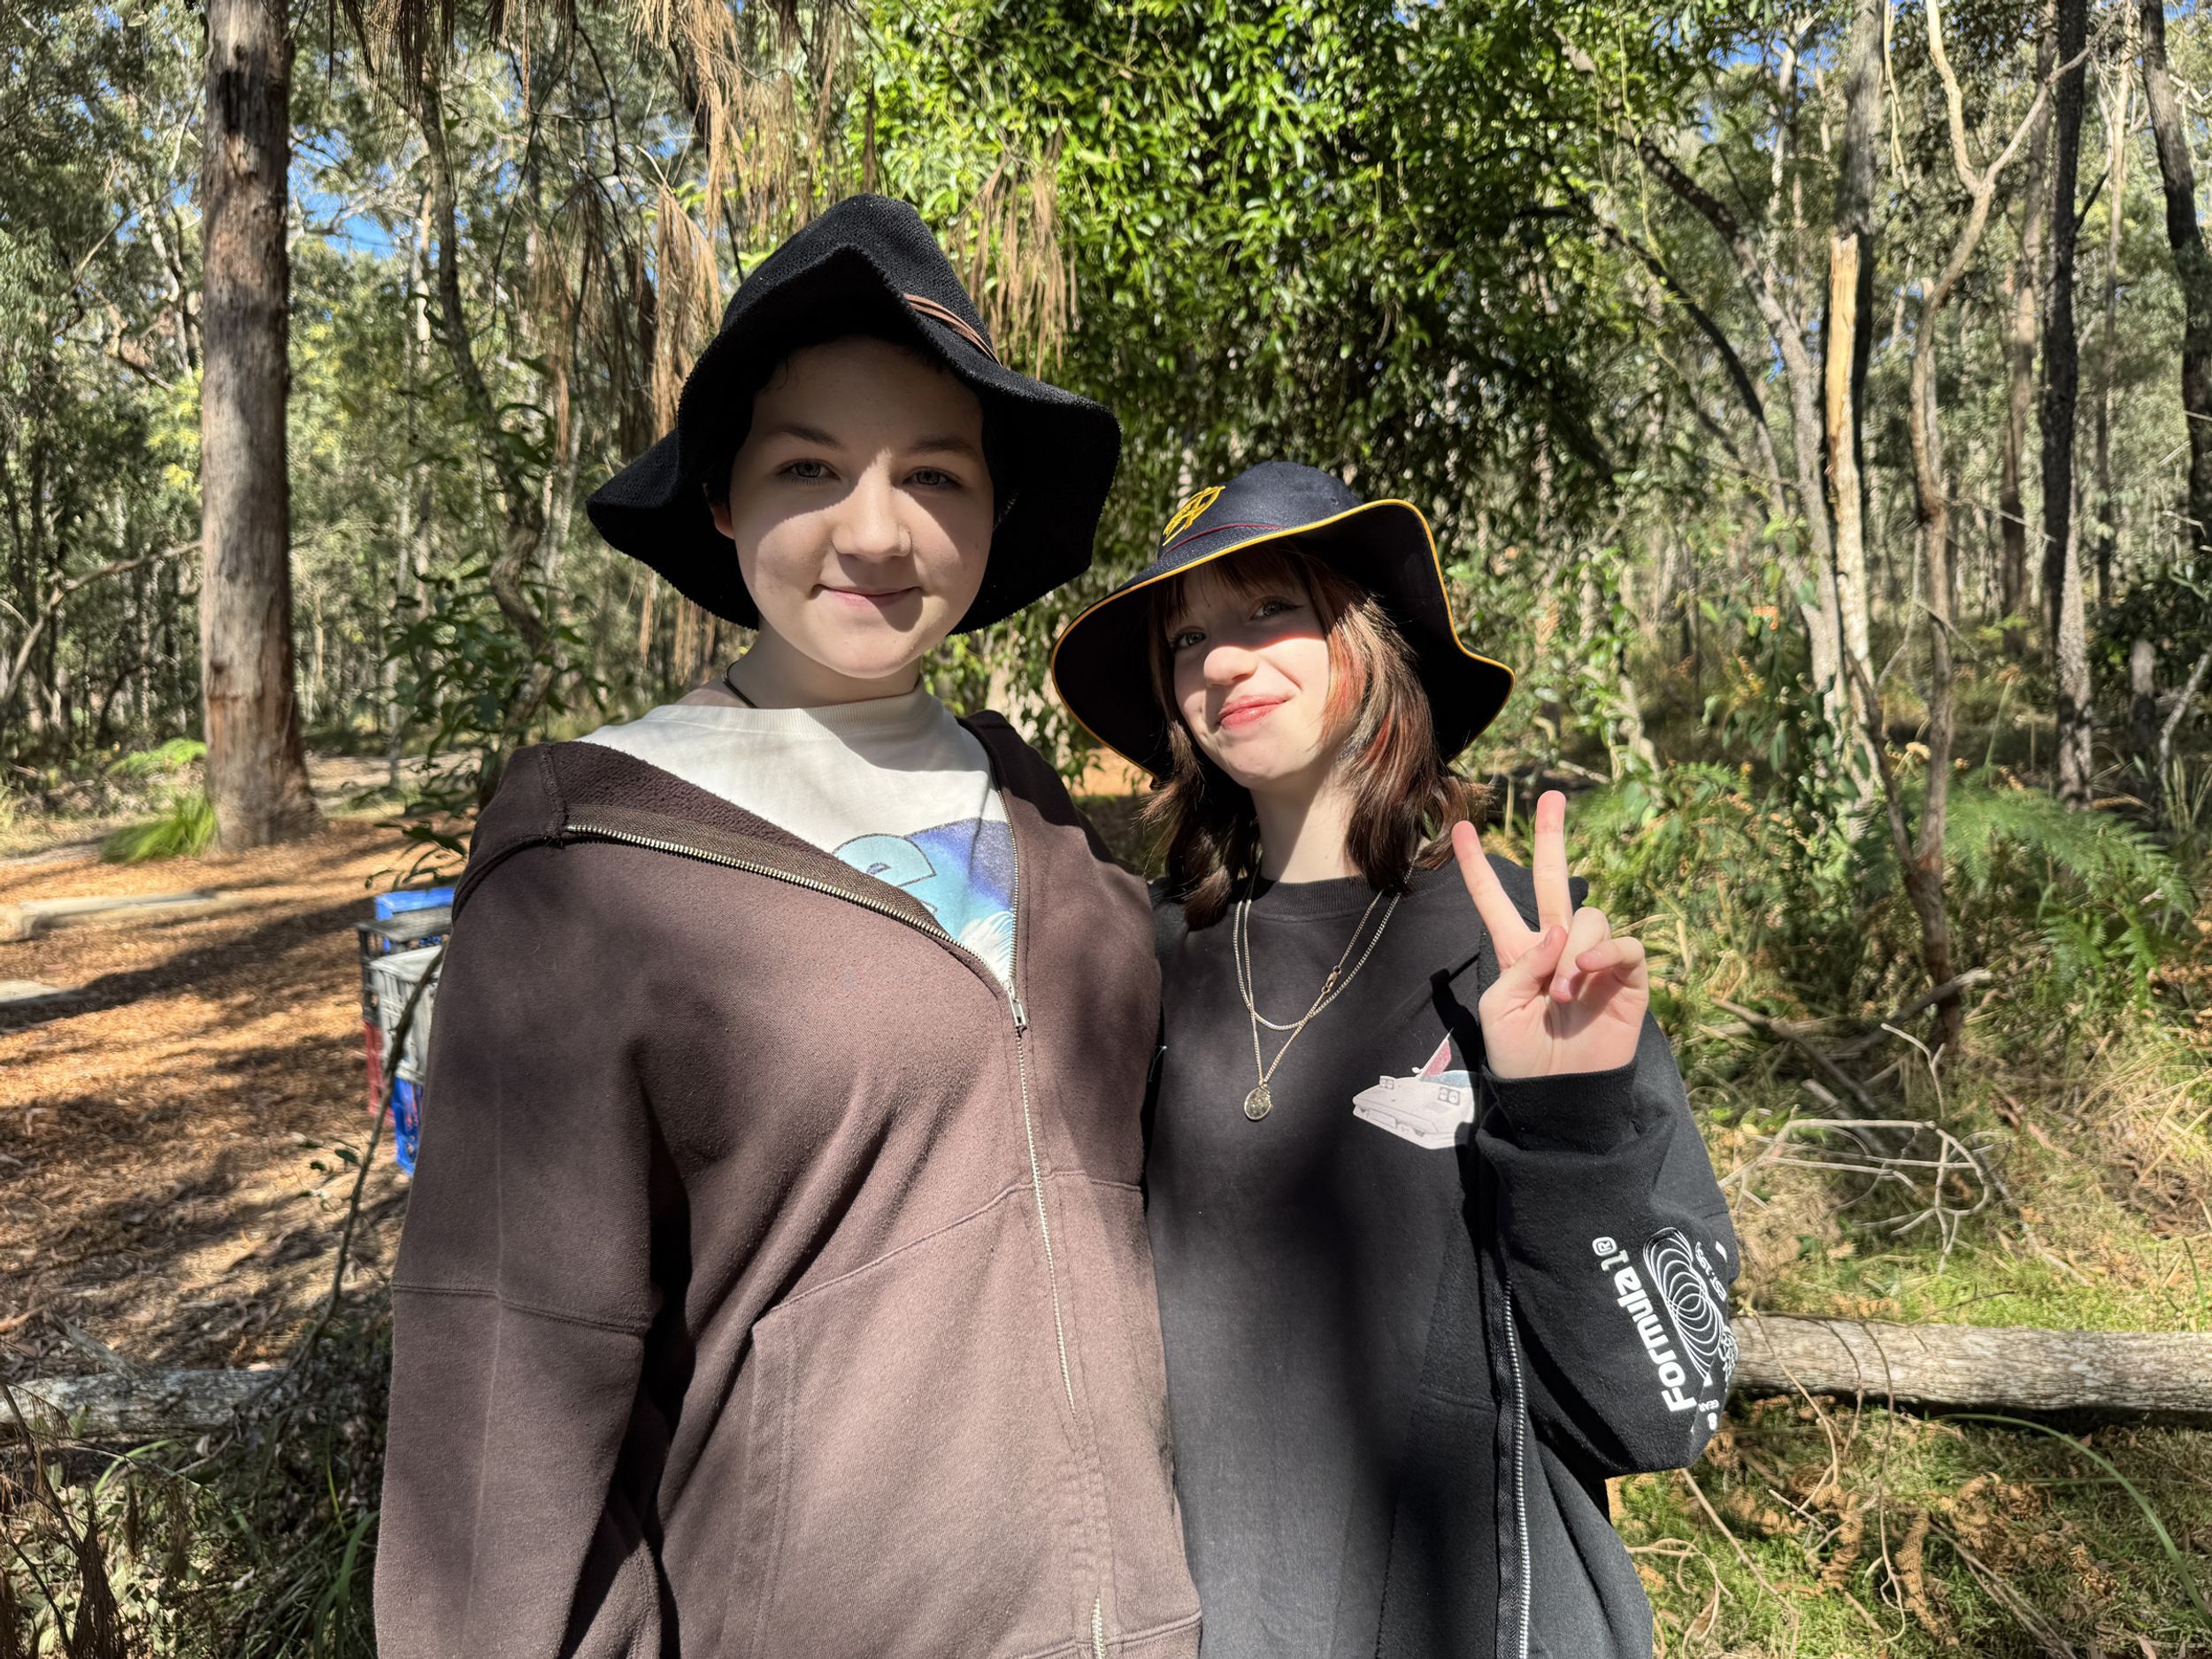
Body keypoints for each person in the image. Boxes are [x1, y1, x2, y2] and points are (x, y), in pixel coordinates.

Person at [376, 196, 1200, 1659]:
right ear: (722, 499)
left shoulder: (1036, 817)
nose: (875, 531)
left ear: (994, 511)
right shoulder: (594, 858)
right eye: (810, 466)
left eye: (934, 474)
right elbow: (506, 1378)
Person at [1051, 461, 1739, 1659]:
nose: (1223, 664)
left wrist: (1569, 1121)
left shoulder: (1518, 958)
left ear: (1368, 642)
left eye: (1270, 610)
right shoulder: (1146, 959)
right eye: (1188, 640)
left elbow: (1664, 1406)